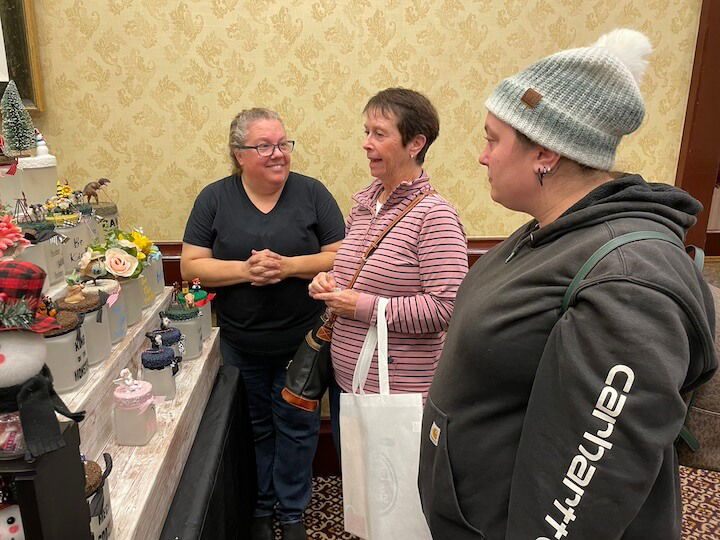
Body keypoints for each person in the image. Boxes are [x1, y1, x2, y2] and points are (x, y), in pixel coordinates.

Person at [419, 29, 717, 539]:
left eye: (493, 139)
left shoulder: (628, 280)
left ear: (546, 154)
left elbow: (593, 473)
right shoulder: (548, 232)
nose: (481, 156)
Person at [181, 108, 345, 540]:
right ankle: (258, 507)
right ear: (239, 155)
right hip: (240, 344)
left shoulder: (312, 193)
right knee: (253, 428)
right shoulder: (214, 198)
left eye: (283, 144)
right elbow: (190, 267)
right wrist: (246, 271)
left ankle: (292, 512)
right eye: (265, 146)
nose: (278, 154)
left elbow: (341, 255)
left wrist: (289, 266)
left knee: (298, 427)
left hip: (303, 345)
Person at [309, 87, 468, 451]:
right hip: (350, 386)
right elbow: (359, 278)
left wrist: (361, 306)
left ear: (415, 143)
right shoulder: (364, 207)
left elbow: (447, 308)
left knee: (398, 501)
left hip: (401, 396)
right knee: (364, 498)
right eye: (366, 132)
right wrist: (327, 283)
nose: (366, 143)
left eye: (379, 134)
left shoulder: (435, 215)